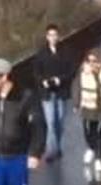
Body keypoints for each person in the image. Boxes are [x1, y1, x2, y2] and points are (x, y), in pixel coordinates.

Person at [32, 24, 76, 160]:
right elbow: (36, 72)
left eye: (55, 35)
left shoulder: (65, 51)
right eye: (50, 35)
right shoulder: (41, 53)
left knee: (60, 121)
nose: (53, 38)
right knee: (50, 121)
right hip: (46, 92)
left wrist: (60, 79)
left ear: (58, 36)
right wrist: (43, 81)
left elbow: (71, 71)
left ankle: (57, 147)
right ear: (47, 37)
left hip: (61, 90)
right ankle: (51, 151)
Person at [77, 48, 101, 177]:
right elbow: (77, 86)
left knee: (100, 132)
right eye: (90, 60)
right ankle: (91, 148)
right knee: (87, 130)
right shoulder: (83, 70)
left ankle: (98, 159)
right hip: (87, 106)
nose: (92, 62)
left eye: (94, 60)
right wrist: (77, 102)